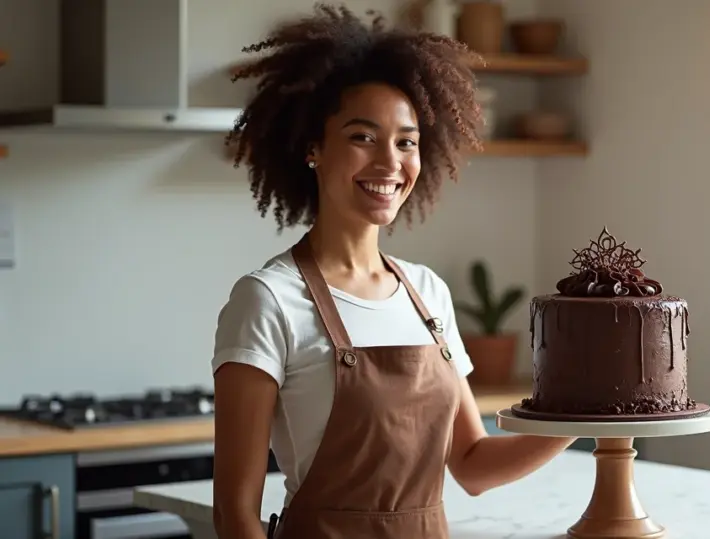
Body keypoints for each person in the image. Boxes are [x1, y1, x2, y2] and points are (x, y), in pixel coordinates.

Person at [210, 4, 575, 538]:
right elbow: (234, 515)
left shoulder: (427, 294)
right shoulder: (267, 300)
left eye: (407, 141)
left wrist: (582, 414)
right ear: (314, 147)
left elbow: (472, 464)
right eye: (363, 137)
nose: (390, 162)